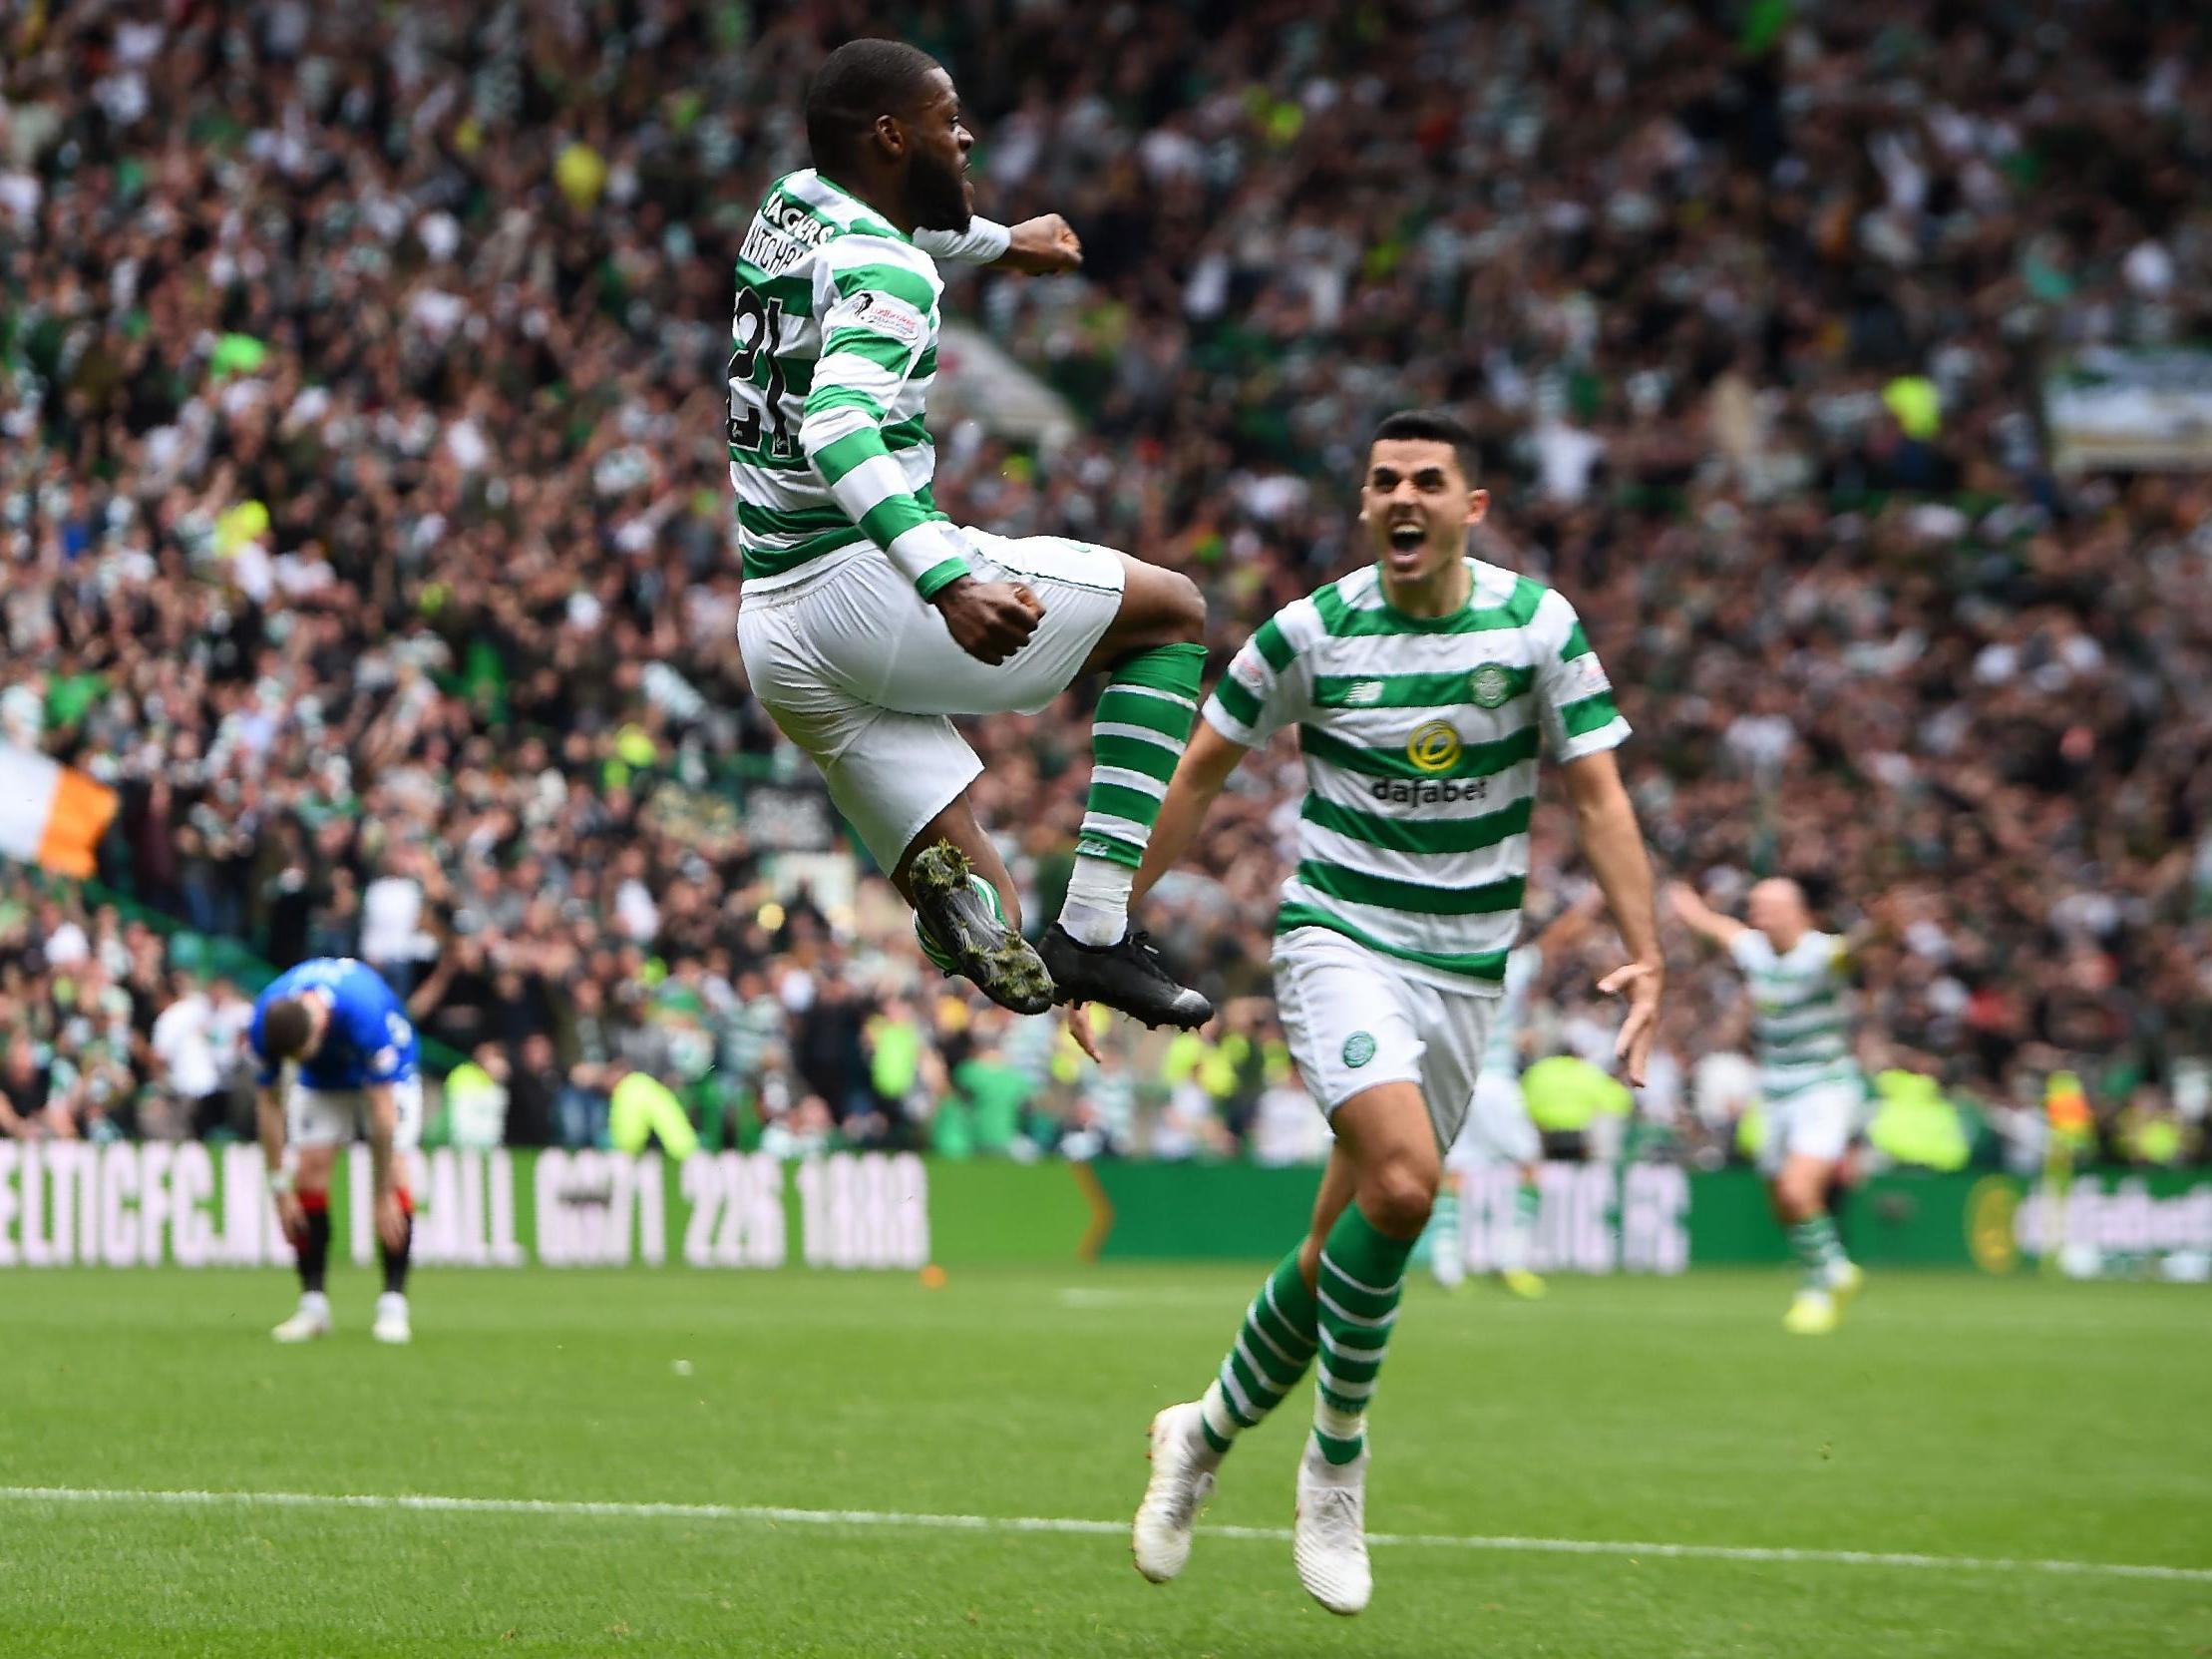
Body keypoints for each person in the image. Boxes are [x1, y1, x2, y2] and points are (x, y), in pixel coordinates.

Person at [1123, 410, 1664, 1615]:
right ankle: (1336, 1465)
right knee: (1408, 1187)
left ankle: (1199, 1437)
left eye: (1429, 479)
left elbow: (1599, 797)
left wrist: (1648, 955)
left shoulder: (1536, 627)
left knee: (1342, 1247)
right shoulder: (1308, 633)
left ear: (1473, 506)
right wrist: (1101, 918)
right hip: (1336, 942)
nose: (1403, 495)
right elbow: (1200, 770)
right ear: (1364, 506)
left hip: (1469, 971)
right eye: (1383, 481)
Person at [731, 38, 1212, 1033]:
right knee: (1172, 614)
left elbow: (894, 239)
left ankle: (976, 916)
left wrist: (1003, 241)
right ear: (892, 134)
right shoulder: (894, 278)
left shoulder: (790, 206)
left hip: (774, 636)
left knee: (1003, 929)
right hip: (871, 594)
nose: (969, 133)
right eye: (950, 119)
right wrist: (946, 577)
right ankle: (1099, 926)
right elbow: (835, 427)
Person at [1667, 878, 1868, 1334]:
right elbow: (1713, 926)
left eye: (1766, 908)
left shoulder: (1822, 954)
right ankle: (1825, 1273)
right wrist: (1682, 898)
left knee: (1799, 1190)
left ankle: (1827, 1278)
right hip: (1774, 1090)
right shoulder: (1754, 950)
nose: (1756, 916)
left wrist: (1884, 929)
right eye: (1754, 908)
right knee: (1782, 1200)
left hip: (1824, 1087)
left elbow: (1856, 950)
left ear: (1797, 912)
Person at [1427, 886, 1610, 1297]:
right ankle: (1511, 1258)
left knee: (1455, 1173)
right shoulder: (1509, 966)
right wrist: (1594, 900)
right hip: (1494, 1082)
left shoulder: (1445, 969)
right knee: (1529, 1166)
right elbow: (1560, 937)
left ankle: (1447, 1261)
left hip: (1458, 1084)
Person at [250, 958, 422, 1346]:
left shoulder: (362, 1012)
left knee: (396, 1171)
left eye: (301, 1053)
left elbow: (382, 1115)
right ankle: (313, 1306)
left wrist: (380, 1197)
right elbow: (269, 1103)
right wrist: (279, 1187)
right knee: (308, 1173)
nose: (297, 1063)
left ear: (318, 1028)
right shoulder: (266, 1019)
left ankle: (393, 1304)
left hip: (388, 1071)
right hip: (326, 1078)